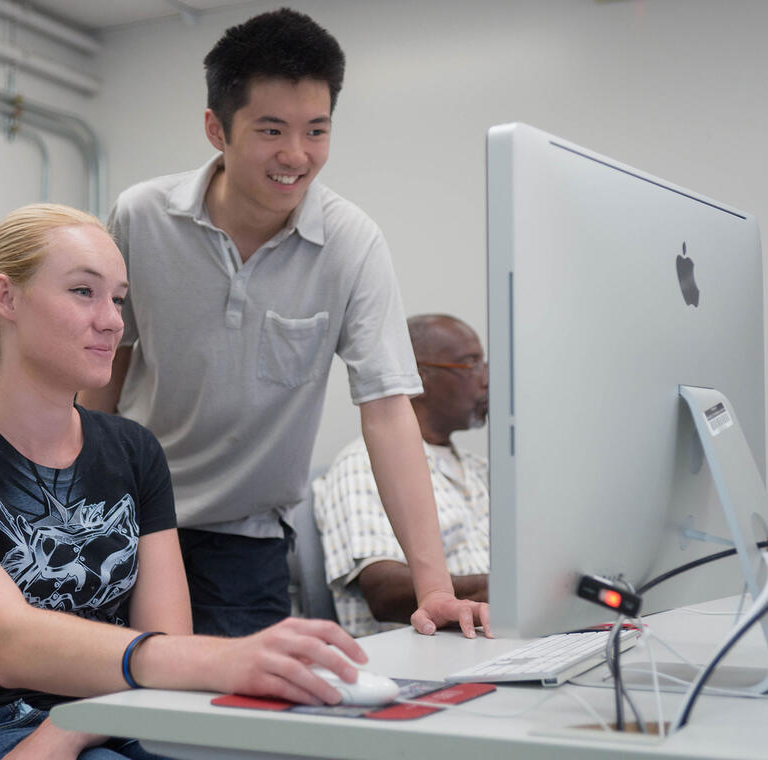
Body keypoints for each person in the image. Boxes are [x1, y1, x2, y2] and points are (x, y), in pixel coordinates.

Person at [0, 203, 369, 760]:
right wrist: (219, 661)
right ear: (6, 297)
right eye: (84, 292)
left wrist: (89, 719)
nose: (112, 321)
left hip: (118, 714)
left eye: (118, 299)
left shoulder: (133, 450)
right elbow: (8, 643)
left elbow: (166, 639)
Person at [79, 8, 490, 639]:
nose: (296, 156)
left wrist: (432, 589)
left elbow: (387, 410)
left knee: (237, 728)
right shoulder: (142, 216)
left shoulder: (352, 243)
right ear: (217, 128)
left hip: (246, 542)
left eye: (316, 131)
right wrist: (75, 501)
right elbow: (105, 364)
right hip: (125, 521)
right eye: (272, 130)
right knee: (115, 710)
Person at [314, 315, 490, 637]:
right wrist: (505, 590)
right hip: (425, 652)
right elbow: (382, 591)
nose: (487, 379)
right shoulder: (363, 464)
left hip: (493, 639)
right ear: (417, 378)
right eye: (471, 364)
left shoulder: (481, 470)